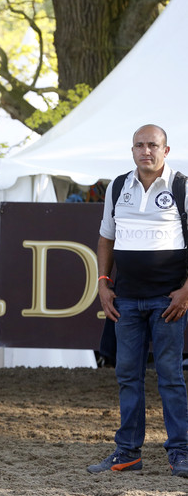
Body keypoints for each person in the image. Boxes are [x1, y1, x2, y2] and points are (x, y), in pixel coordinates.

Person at [91, 124, 188, 477]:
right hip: (126, 300)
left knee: (170, 378)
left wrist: (186, 292)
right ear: (132, 150)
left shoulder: (182, 186)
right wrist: (103, 283)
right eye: (139, 145)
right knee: (127, 376)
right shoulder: (118, 186)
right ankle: (128, 452)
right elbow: (106, 239)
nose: (146, 151)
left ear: (166, 150)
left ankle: (181, 452)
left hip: (169, 302)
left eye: (153, 145)